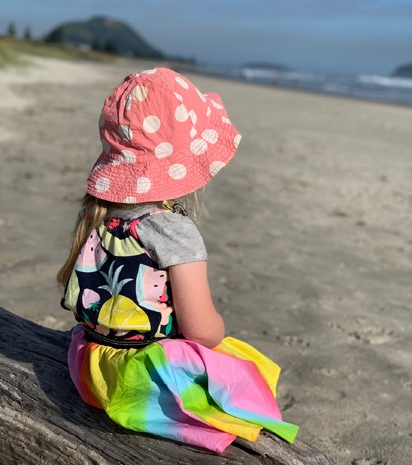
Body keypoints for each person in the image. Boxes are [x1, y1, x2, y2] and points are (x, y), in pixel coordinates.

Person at [57, 67, 299, 453]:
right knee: (243, 371)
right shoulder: (172, 230)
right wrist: (216, 333)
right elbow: (201, 330)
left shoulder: (95, 214)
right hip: (141, 382)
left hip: (88, 365)